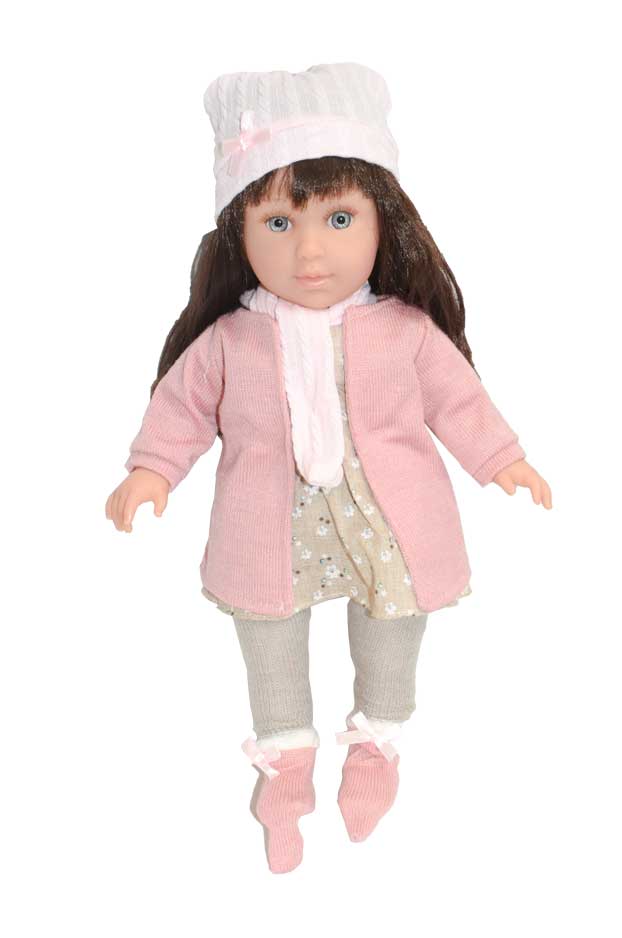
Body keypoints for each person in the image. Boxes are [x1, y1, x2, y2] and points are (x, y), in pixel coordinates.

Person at [105, 62, 552, 874]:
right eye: (278, 223)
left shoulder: (405, 329)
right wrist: (152, 470)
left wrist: (502, 459)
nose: (309, 250)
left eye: (339, 219)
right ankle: (285, 769)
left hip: (389, 523)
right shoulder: (230, 339)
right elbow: (180, 409)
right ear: (238, 233)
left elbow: (458, 399)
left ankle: (375, 744)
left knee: (392, 626)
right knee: (268, 640)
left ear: (383, 223)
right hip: (269, 528)